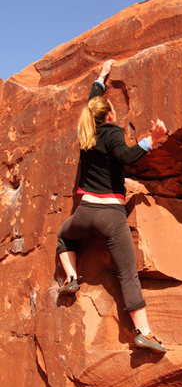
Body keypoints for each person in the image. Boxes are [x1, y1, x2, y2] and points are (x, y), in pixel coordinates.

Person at [56, 59, 167, 354]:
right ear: (110, 115)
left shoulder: (86, 132)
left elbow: (92, 103)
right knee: (127, 274)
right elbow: (126, 157)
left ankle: (70, 277)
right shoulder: (113, 132)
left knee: (64, 237)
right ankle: (144, 332)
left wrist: (101, 77)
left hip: (84, 214)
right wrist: (151, 140)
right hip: (110, 216)